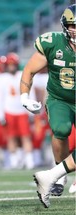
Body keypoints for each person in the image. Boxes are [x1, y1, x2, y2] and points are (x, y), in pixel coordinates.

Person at [20, 4, 75, 195]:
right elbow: (29, 70)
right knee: (61, 129)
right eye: (72, 25)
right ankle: (59, 174)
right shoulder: (53, 42)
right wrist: (24, 96)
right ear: (65, 27)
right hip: (60, 98)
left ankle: (53, 174)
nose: (75, 30)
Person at [0, 52, 35, 169]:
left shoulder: (23, 75)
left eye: (13, 64)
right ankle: (14, 161)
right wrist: (0, 114)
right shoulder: (2, 78)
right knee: (11, 137)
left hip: (22, 111)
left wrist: (31, 110)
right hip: (9, 111)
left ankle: (29, 160)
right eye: (9, 64)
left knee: (26, 136)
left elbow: (30, 92)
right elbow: (0, 97)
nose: (11, 66)